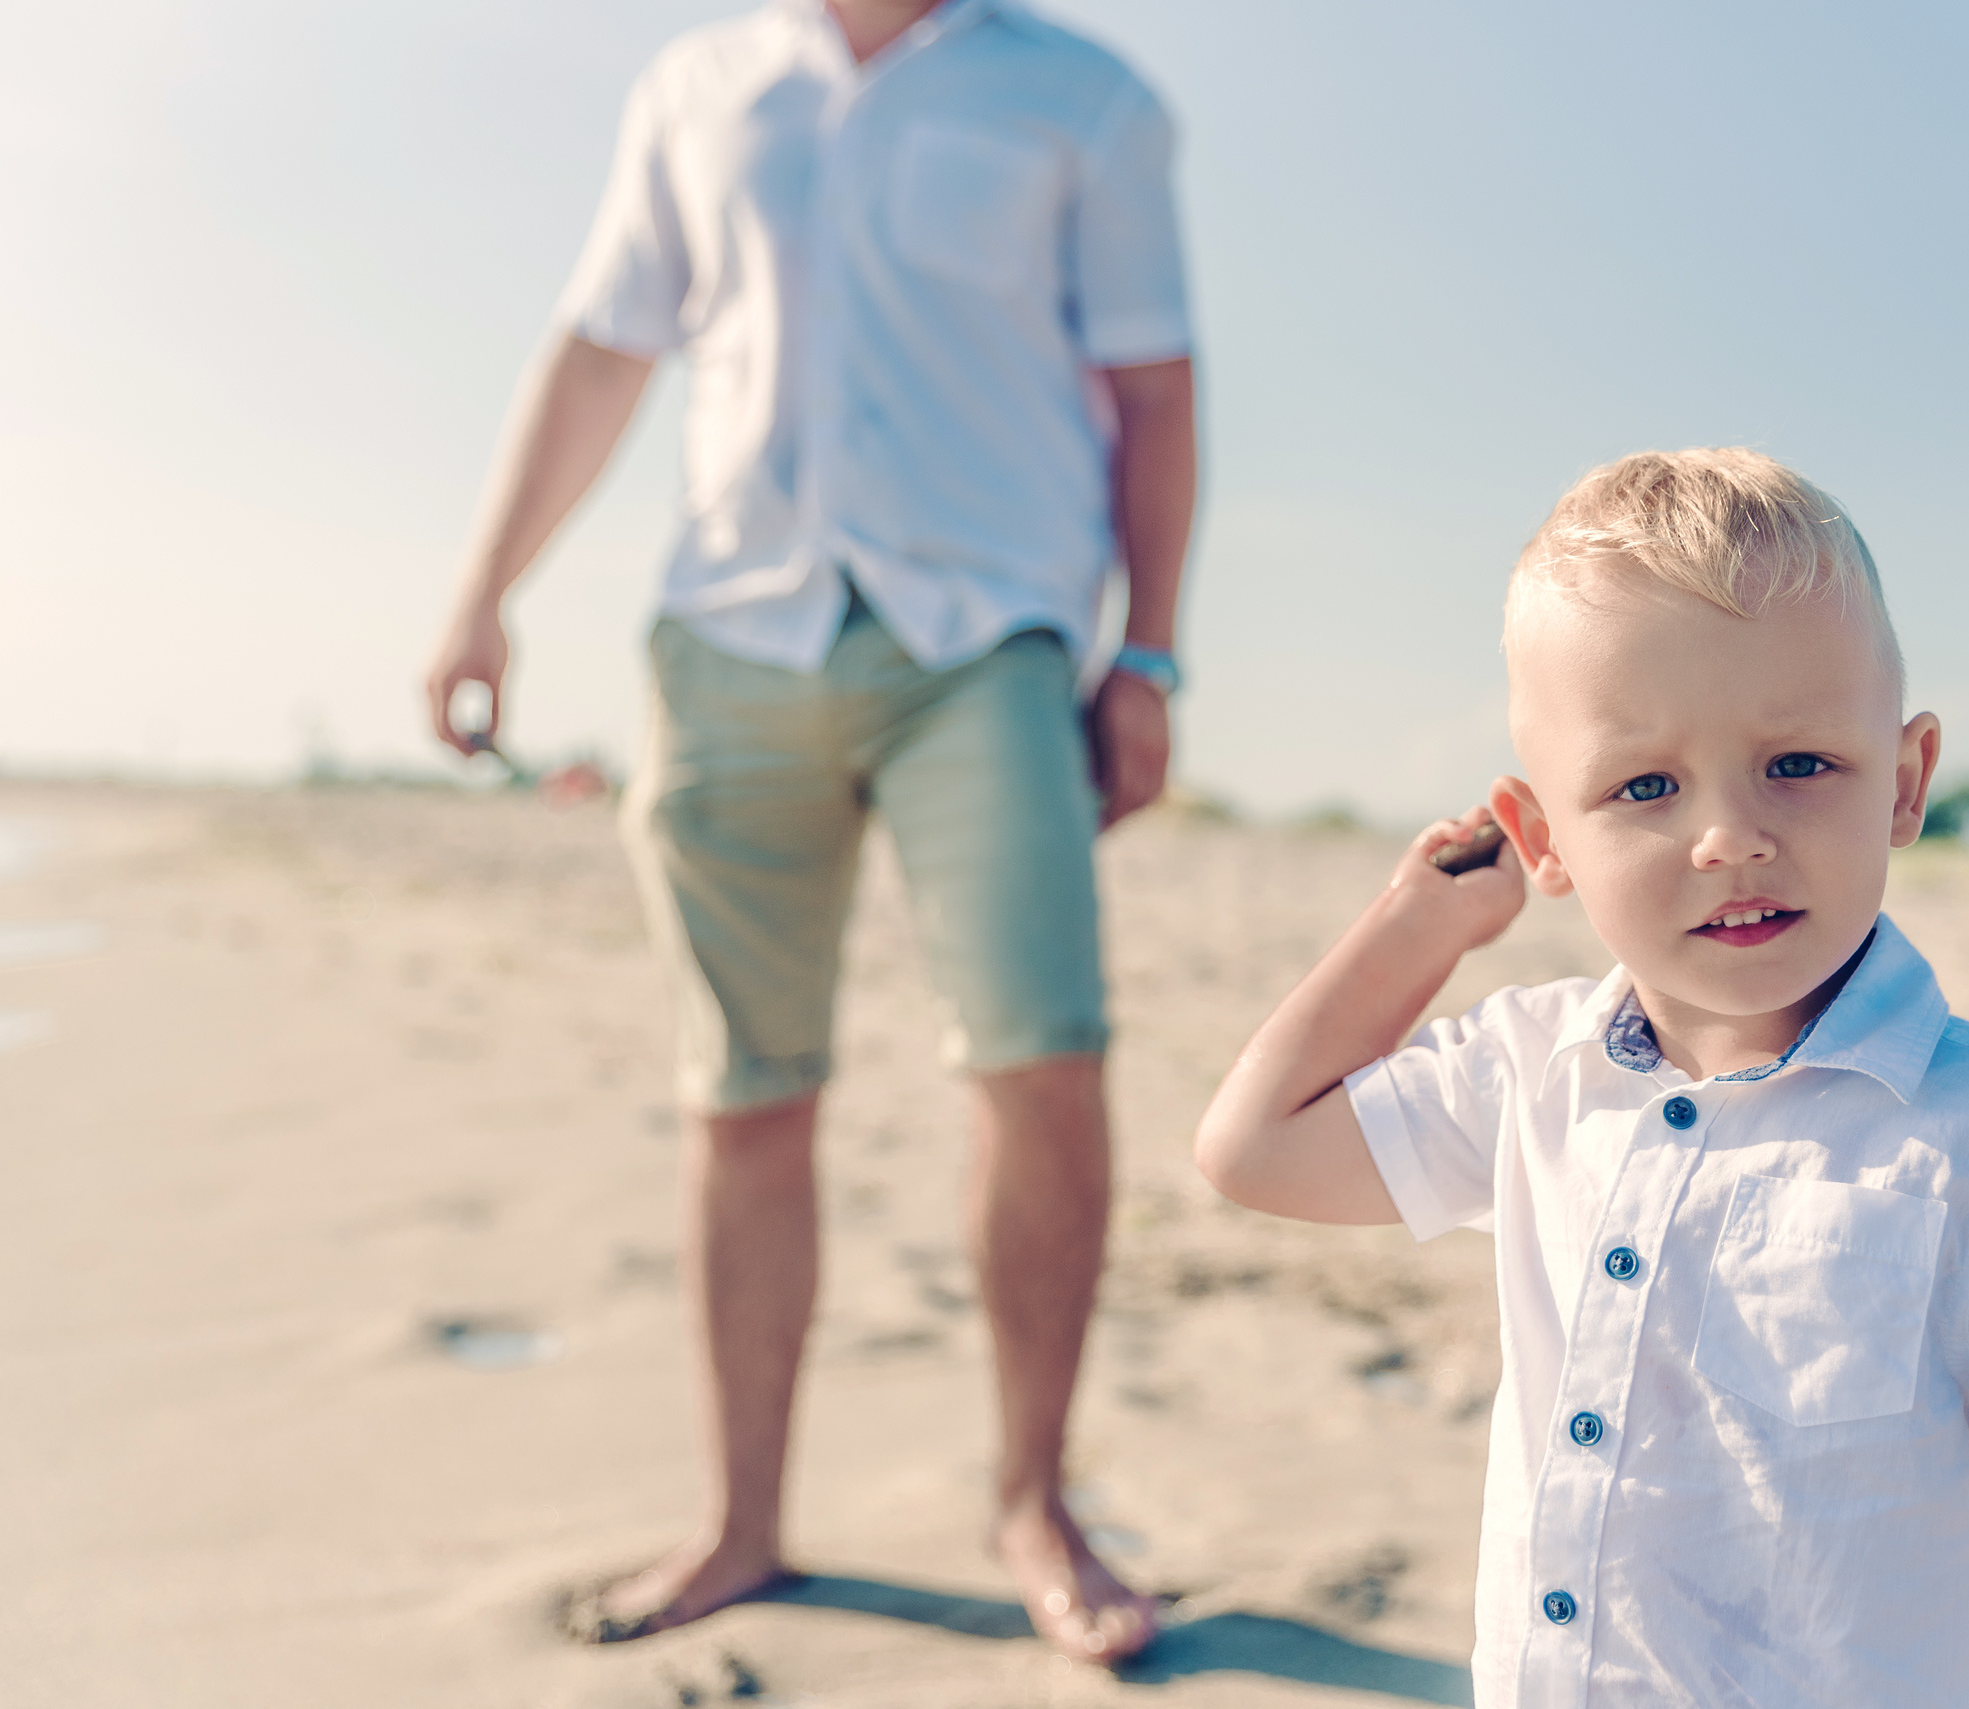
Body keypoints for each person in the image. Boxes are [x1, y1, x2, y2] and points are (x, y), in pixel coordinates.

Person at [1194, 449, 1969, 1705]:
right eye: (1644, 784)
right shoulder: (1530, 1073)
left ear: (1905, 782)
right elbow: (1255, 1146)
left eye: (1798, 764)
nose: (1731, 834)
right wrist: (1416, 926)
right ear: (1544, 835)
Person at [421, 0, 1195, 1663]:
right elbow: (603, 347)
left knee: (1041, 1060)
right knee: (745, 1090)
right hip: (729, 641)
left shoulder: (1087, 99)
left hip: (985, 637)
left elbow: (1156, 386)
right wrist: (485, 594)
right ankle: (743, 1519)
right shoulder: (697, 86)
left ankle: (1033, 1497)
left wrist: (1149, 652)